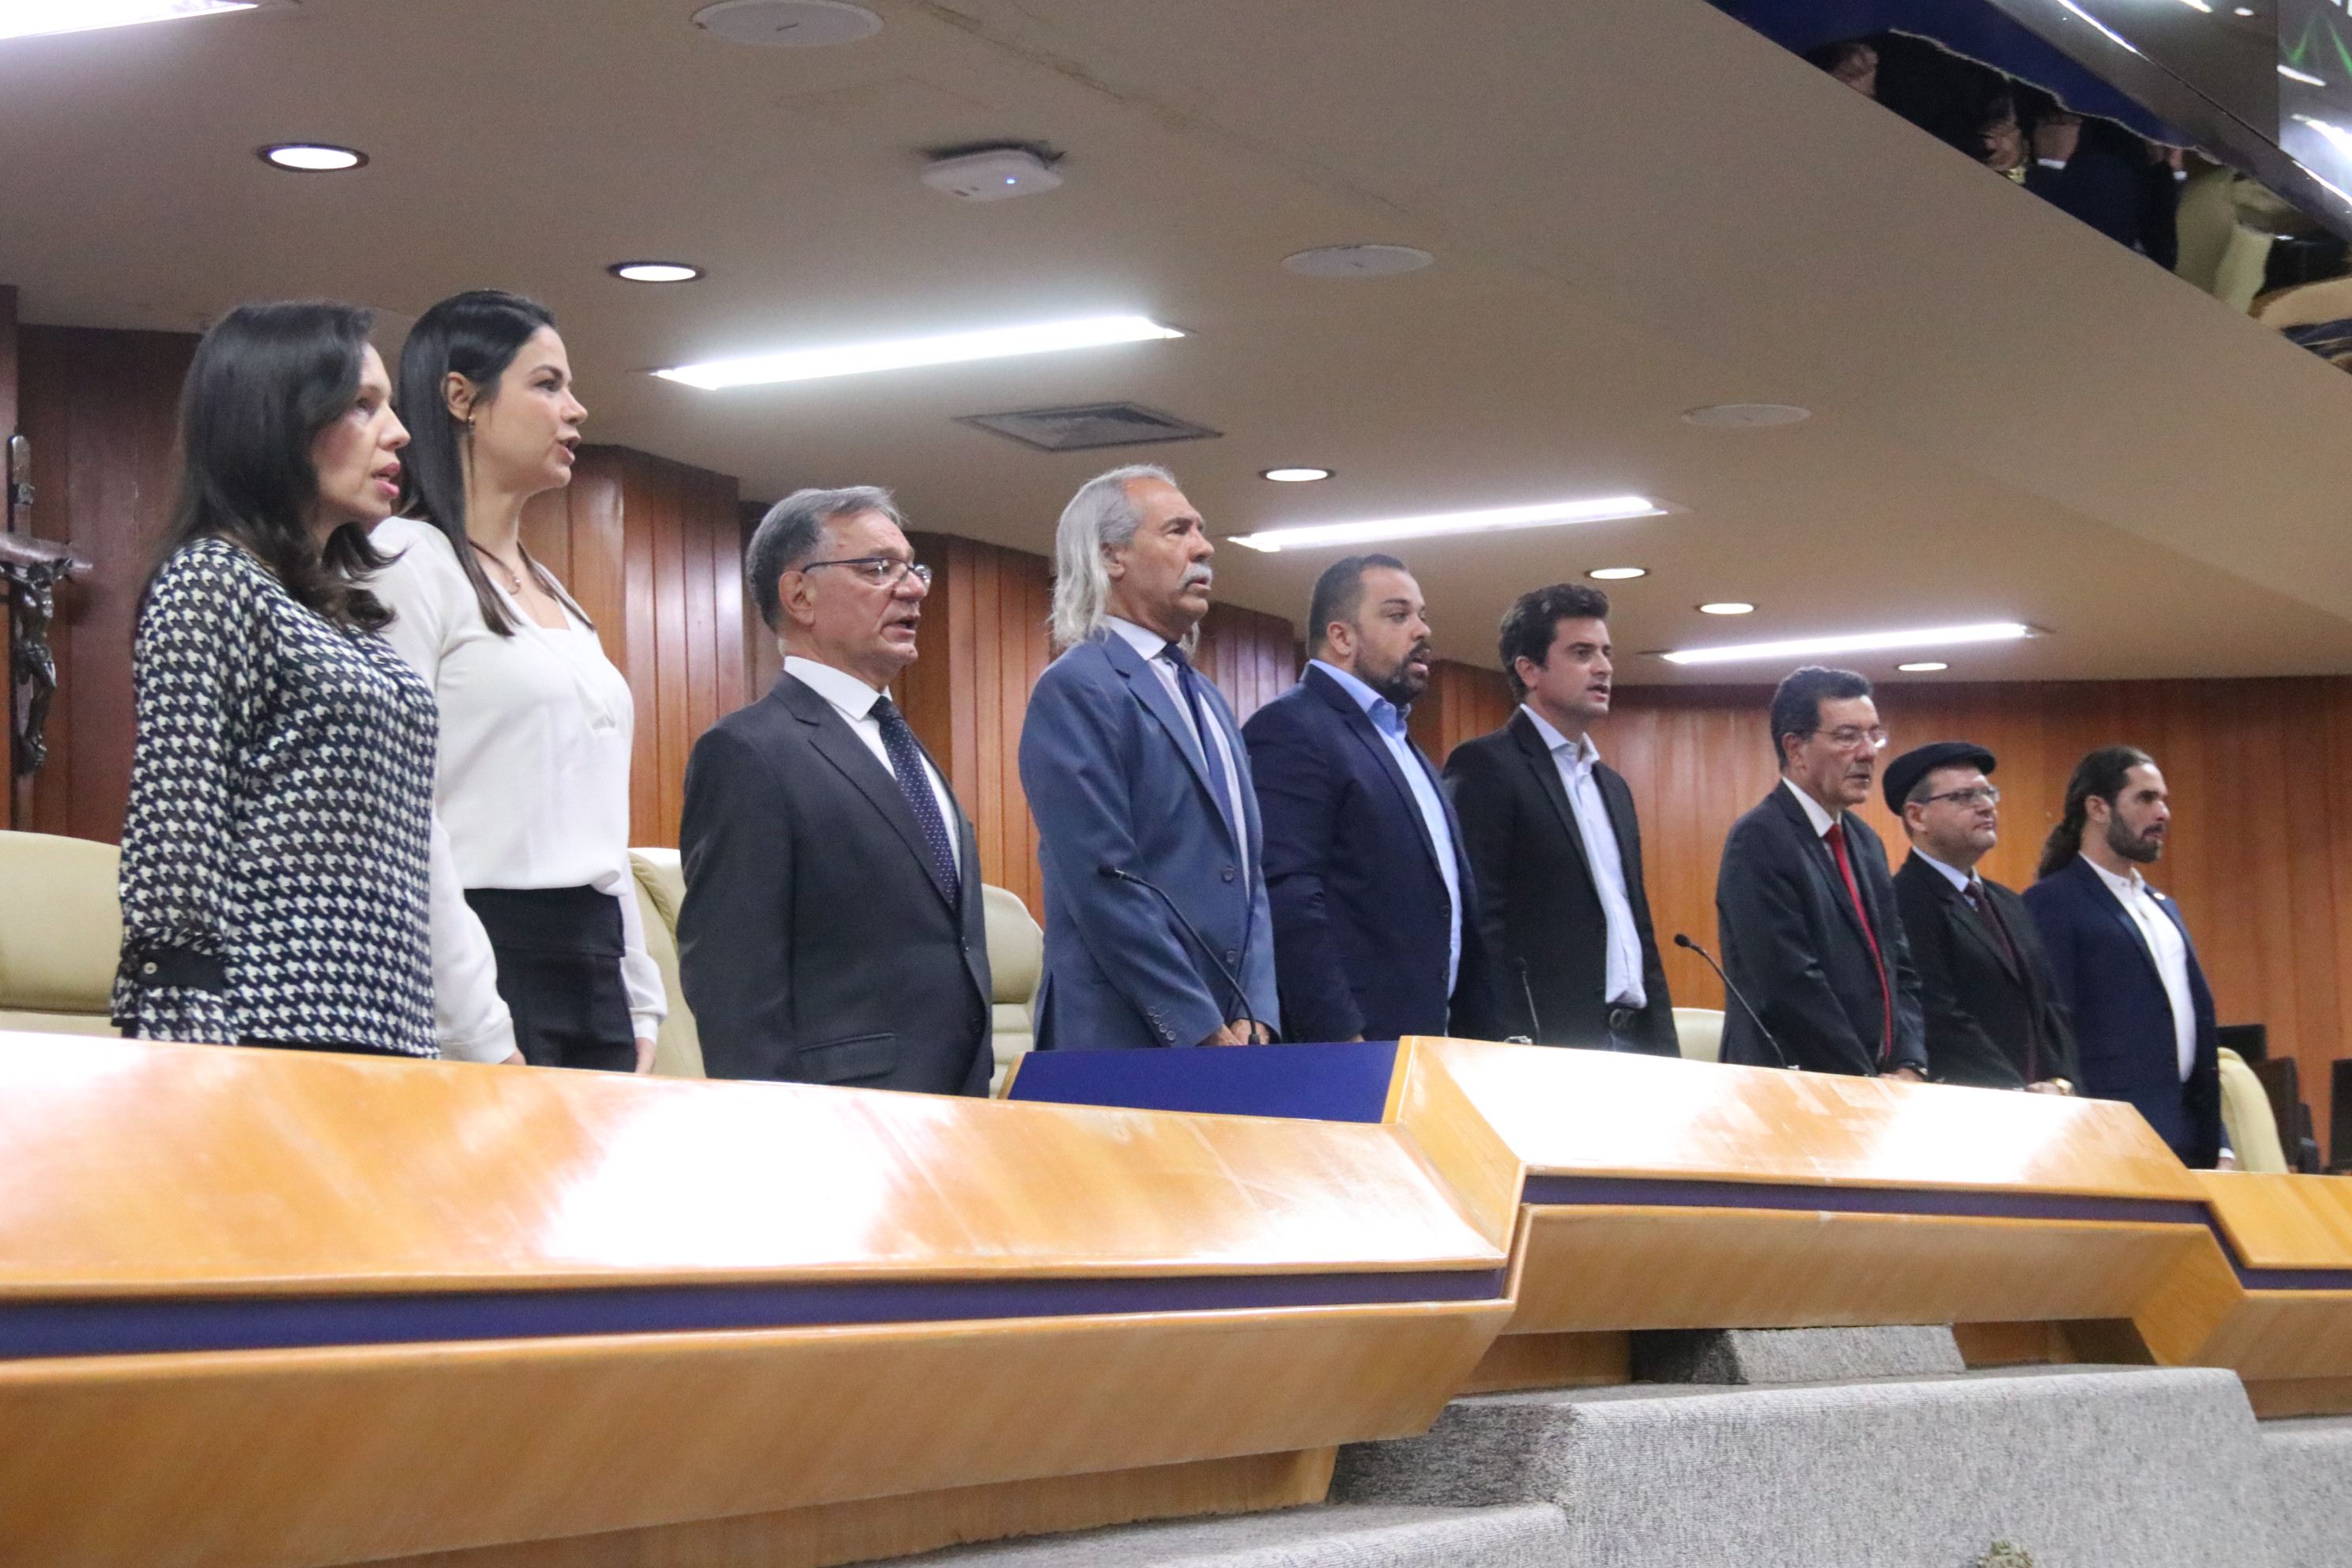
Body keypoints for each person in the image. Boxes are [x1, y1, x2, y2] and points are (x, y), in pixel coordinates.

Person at [112, 300, 512, 1062]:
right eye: (362, 405)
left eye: (389, 404)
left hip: (384, 1022)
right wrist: (183, 1048)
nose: (399, 432)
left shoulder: (337, 612)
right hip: (264, 1027)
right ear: (278, 422)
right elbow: (177, 827)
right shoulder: (212, 580)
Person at [373, 290, 664, 1074]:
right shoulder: (405, 560)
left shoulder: (554, 592)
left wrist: (639, 998)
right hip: (487, 954)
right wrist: (475, 1023)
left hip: (596, 963)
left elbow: (599, 821)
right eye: (547, 384)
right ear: (461, 397)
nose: (576, 409)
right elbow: (402, 814)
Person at [676, 487, 990, 1093]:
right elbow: (733, 983)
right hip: (835, 1118)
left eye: (913, 569)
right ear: (800, 595)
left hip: (957, 1106)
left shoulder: (903, 745)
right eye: (878, 568)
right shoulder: (748, 751)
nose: (913, 589)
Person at [1019, 464, 1277, 1050]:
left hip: (1235, 1037)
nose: (1204, 547)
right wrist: (1198, 1026)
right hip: (1123, 1038)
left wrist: (1256, 1008)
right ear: (1112, 557)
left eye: (1201, 530)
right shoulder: (1077, 688)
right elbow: (1104, 883)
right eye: (1177, 530)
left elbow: (1247, 869)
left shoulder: (1206, 695)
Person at [1241, 554, 1496, 1042]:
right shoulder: (1292, 728)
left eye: (1422, 615)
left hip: (1431, 1043)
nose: (1422, 630)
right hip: (1355, 1049)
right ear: (1342, 637)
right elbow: (1288, 894)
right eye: (1398, 615)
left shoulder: (1400, 741)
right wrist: (1340, 1037)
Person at [1442, 583, 1675, 1054]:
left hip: (1632, 1039)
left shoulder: (1612, 787)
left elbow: (1637, 929)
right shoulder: (1487, 766)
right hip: (1542, 1044)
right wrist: (1506, 1040)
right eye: (1582, 653)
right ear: (1529, 670)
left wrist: (1665, 1048)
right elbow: (1479, 922)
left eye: (1606, 652)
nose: (1604, 667)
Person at [1715, 666, 1926, 1077]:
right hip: (1789, 1084)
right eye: (1848, 736)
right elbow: (1790, 985)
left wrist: (1910, 1064)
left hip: (1878, 1086)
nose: (1868, 752)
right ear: (1795, 749)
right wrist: (1864, 1078)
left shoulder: (1865, 841)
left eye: (1874, 735)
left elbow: (1899, 967)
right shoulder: (1758, 839)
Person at [2023, 747, 2227, 1167]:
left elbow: (2190, 1033)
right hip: (2109, 1137)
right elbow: (2051, 1024)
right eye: (2146, 798)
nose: (2163, 813)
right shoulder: (2053, 902)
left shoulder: (2163, 907)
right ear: (2098, 808)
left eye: (2164, 800)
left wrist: (2220, 1141)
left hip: (2188, 1136)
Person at [1884, 741, 2079, 1093]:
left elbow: (2050, 1005)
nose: (1987, 805)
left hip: (2041, 1105)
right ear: (1917, 817)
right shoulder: (1903, 900)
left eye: (1989, 793)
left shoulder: (2009, 902)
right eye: (1963, 797)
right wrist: (2015, 1090)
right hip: (1965, 1102)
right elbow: (1937, 1014)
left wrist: (2059, 1082)